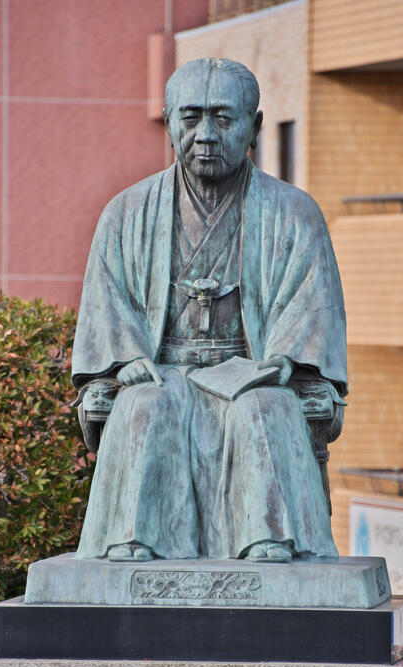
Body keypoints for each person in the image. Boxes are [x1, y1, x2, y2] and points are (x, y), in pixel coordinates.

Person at [72, 58, 347, 564]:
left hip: (251, 372)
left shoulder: (295, 213)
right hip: (163, 369)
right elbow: (106, 307)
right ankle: (137, 539)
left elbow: (312, 307)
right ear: (169, 120)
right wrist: (124, 359)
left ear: (255, 126)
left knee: (264, 409)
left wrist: (284, 361)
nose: (205, 134)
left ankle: (266, 538)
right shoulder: (126, 214)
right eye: (191, 117)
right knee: (144, 405)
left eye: (223, 118)